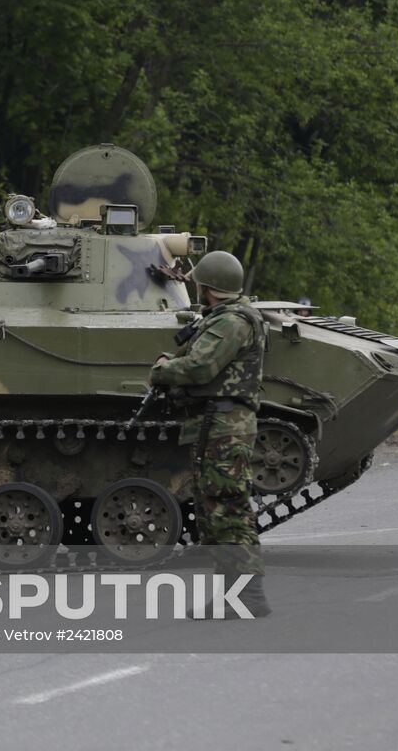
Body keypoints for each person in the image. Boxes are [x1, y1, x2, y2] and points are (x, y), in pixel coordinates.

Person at [150, 250, 271, 618]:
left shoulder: (232, 322)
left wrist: (163, 371)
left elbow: (201, 368)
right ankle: (233, 595)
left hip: (224, 427)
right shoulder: (228, 317)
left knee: (228, 509)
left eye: (200, 283)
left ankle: (247, 597)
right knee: (215, 510)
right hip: (215, 425)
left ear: (208, 287)